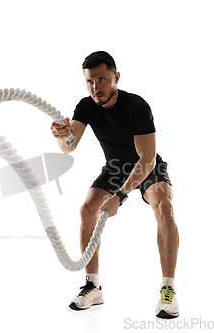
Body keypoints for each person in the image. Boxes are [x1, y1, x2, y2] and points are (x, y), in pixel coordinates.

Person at [50, 51, 180, 319]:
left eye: (102, 79)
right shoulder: (86, 106)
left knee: (164, 207)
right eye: (90, 81)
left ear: (116, 77)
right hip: (115, 168)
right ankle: (93, 286)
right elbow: (69, 147)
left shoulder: (136, 106)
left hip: (147, 167)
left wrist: (120, 196)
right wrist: (62, 136)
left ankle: (168, 290)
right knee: (87, 210)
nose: (95, 87)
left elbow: (147, 158)